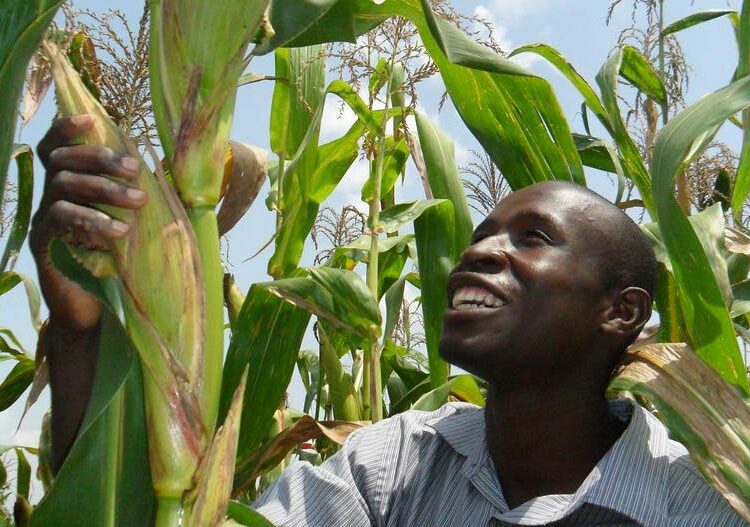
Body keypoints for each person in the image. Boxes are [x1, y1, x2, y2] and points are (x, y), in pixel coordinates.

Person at [32, 115, 746, 526]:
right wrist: (81, 329)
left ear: (621, 312)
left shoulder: (694, 505)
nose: (476, 254)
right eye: (476, 238)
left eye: (531, 238)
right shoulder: (396, 463)